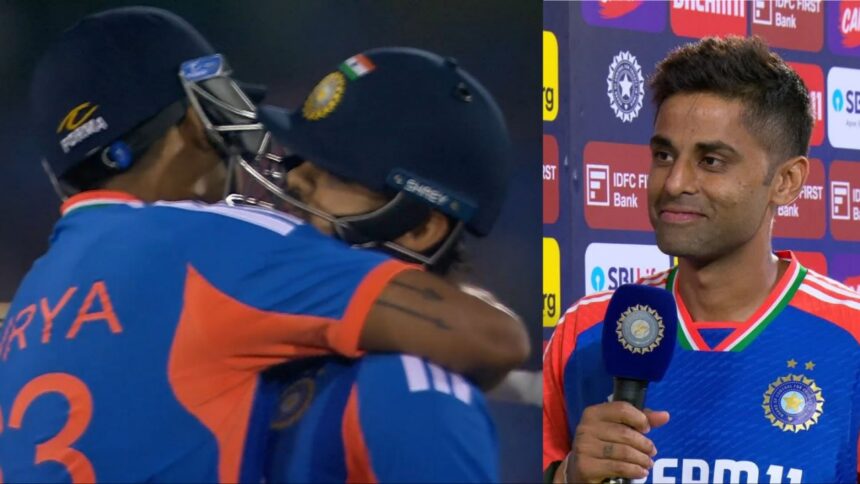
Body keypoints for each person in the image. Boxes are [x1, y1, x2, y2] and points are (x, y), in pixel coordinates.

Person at [0, 8, 528, 483]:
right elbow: (495, 338)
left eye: (332, 173)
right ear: (194, 121)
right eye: (300, 166)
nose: (291, 186)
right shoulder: (222, 249)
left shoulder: (32, 301)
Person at [544, 35, 860, 484]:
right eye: (663, 155)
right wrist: (568, 476)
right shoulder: (587, 331)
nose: (674, 183)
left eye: (711, 161)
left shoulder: (849, 337)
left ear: (787, 181)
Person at [235, 46, 521, 482]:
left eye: (337, 170)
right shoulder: (275, 335)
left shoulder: (413, 399)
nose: (294, 177)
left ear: (419, 229)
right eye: (302, 155)